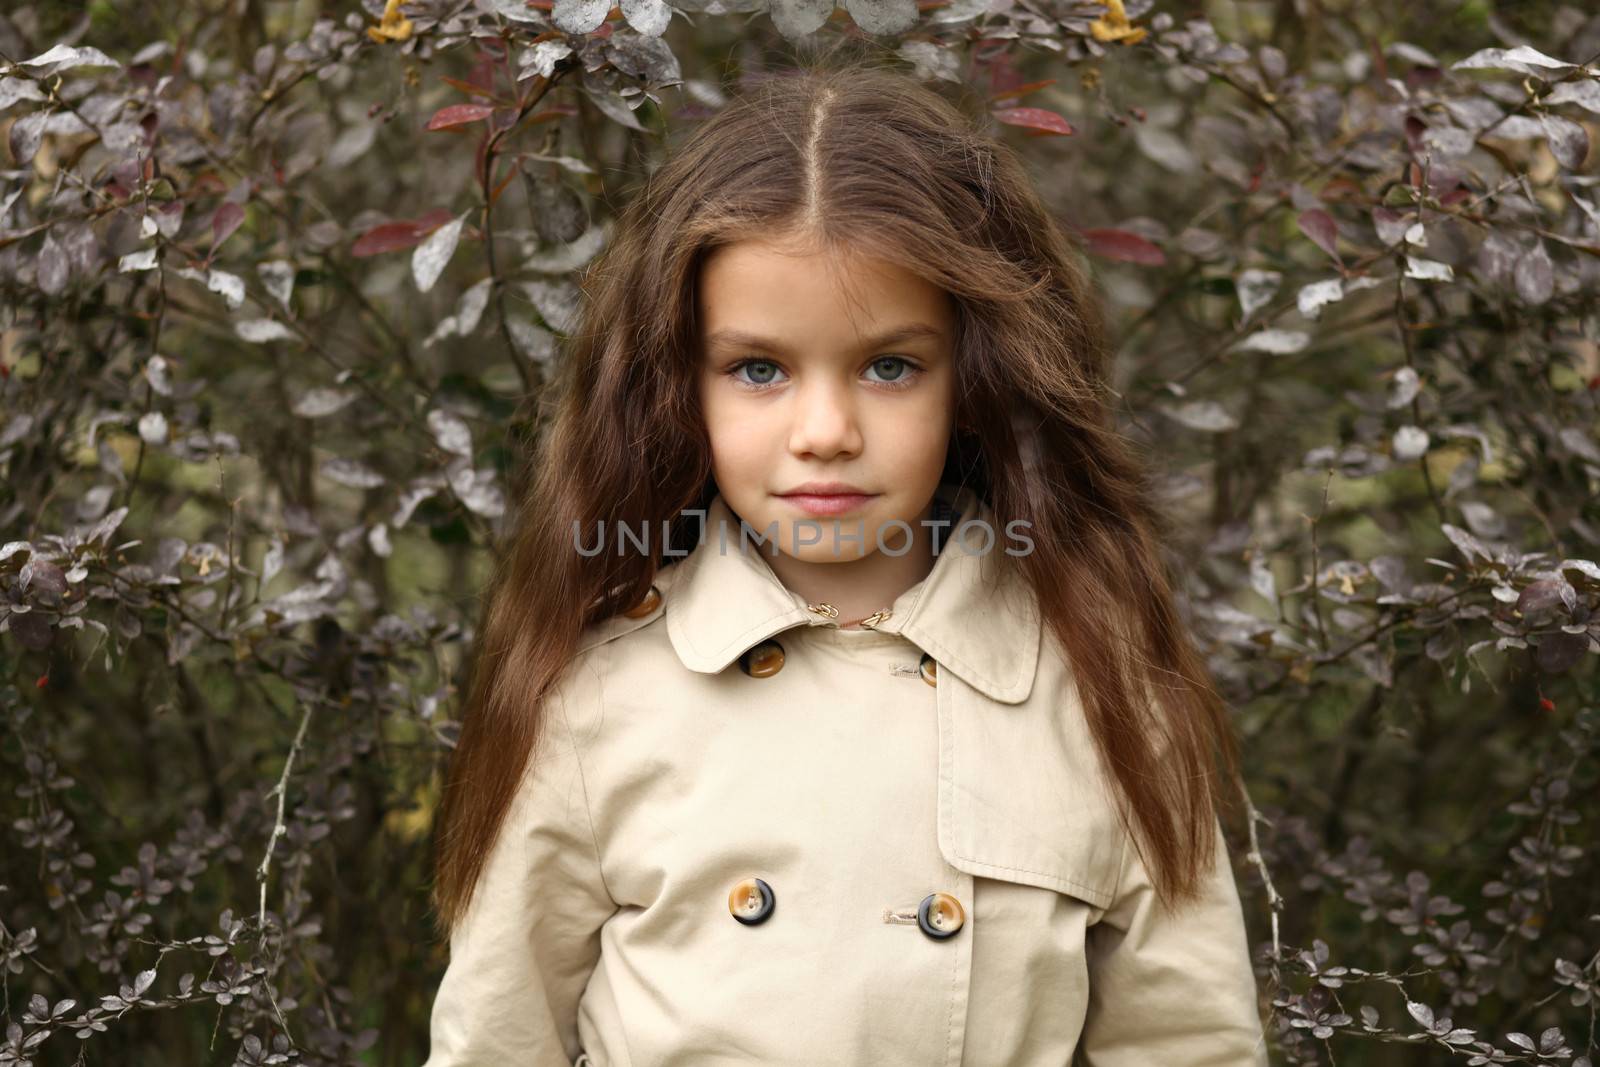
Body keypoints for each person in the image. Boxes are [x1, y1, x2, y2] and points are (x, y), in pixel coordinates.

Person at [421, 55, 1271, 1067]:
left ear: (979, 378)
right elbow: (492, 1041)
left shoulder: (1098, 682)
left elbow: (1188, 1041)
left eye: (889, 365)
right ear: (675, 387)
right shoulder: (595, 689)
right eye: (758, 369)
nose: (824, 431)